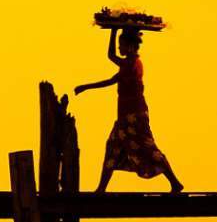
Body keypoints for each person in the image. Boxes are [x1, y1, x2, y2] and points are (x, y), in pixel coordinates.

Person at [74, 27, 185, 193]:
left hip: (134, 115)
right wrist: (113, 31)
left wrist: (86, 87)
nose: (119, 49)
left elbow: (111, 81)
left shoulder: (132, 64)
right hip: (125, 116)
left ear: (131, 46)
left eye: (122, 45)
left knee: (148, 149)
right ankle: (101, 189)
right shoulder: (129, 61)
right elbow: (110, 56)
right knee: (113, 147)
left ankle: (175, 182)